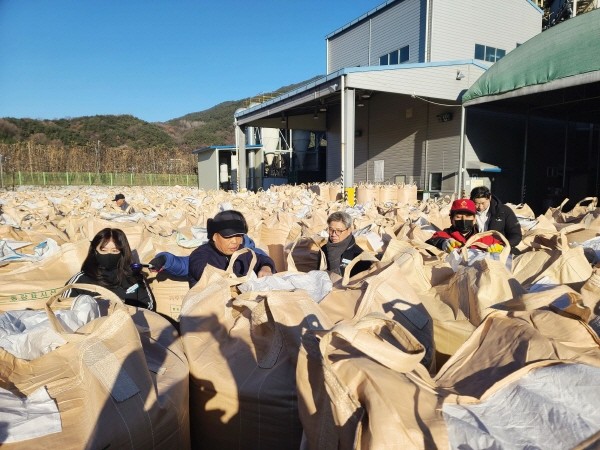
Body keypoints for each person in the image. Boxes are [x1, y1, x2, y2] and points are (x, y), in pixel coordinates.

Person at [63, 227, 155, 310]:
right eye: (103, 250)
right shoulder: (81, 279)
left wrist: (125, 306)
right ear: (94, 251)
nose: (109, 254)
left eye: (115, 251)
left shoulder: (134, 277)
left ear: (122, 252)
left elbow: (149, 306)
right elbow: (64, 307)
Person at [187, 210, 275, 287]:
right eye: (228, 237)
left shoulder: (241, 252)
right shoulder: (200, 255)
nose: (235, 241)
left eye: (238, 236)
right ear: (214, 237)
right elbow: (206, 276)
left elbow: (262, 259)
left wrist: (266, 268)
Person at [426, 199, 504, 253]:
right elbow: (430, 242)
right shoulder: (443, 235)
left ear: (474, 219)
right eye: (458, 217)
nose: (464, 220)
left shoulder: (484, 238)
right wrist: (443, 243)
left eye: (468, 216)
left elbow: (504, 246)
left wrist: (499, 248)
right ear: (451, 219)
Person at [470, 186, 522, 253]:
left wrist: (503, 246)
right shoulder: (467, 213)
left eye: (483, 203)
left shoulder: (503, 211)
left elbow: (516, 234)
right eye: (476, 204)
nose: (480, 207)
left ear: (489, 198)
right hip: (474, 248)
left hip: (498, 249)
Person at [322, 211, 373, 277]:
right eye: (331, 230)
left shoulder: (359, 257)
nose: (334, 234)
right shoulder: (324, 250)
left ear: (349, 230)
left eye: (339, 230)